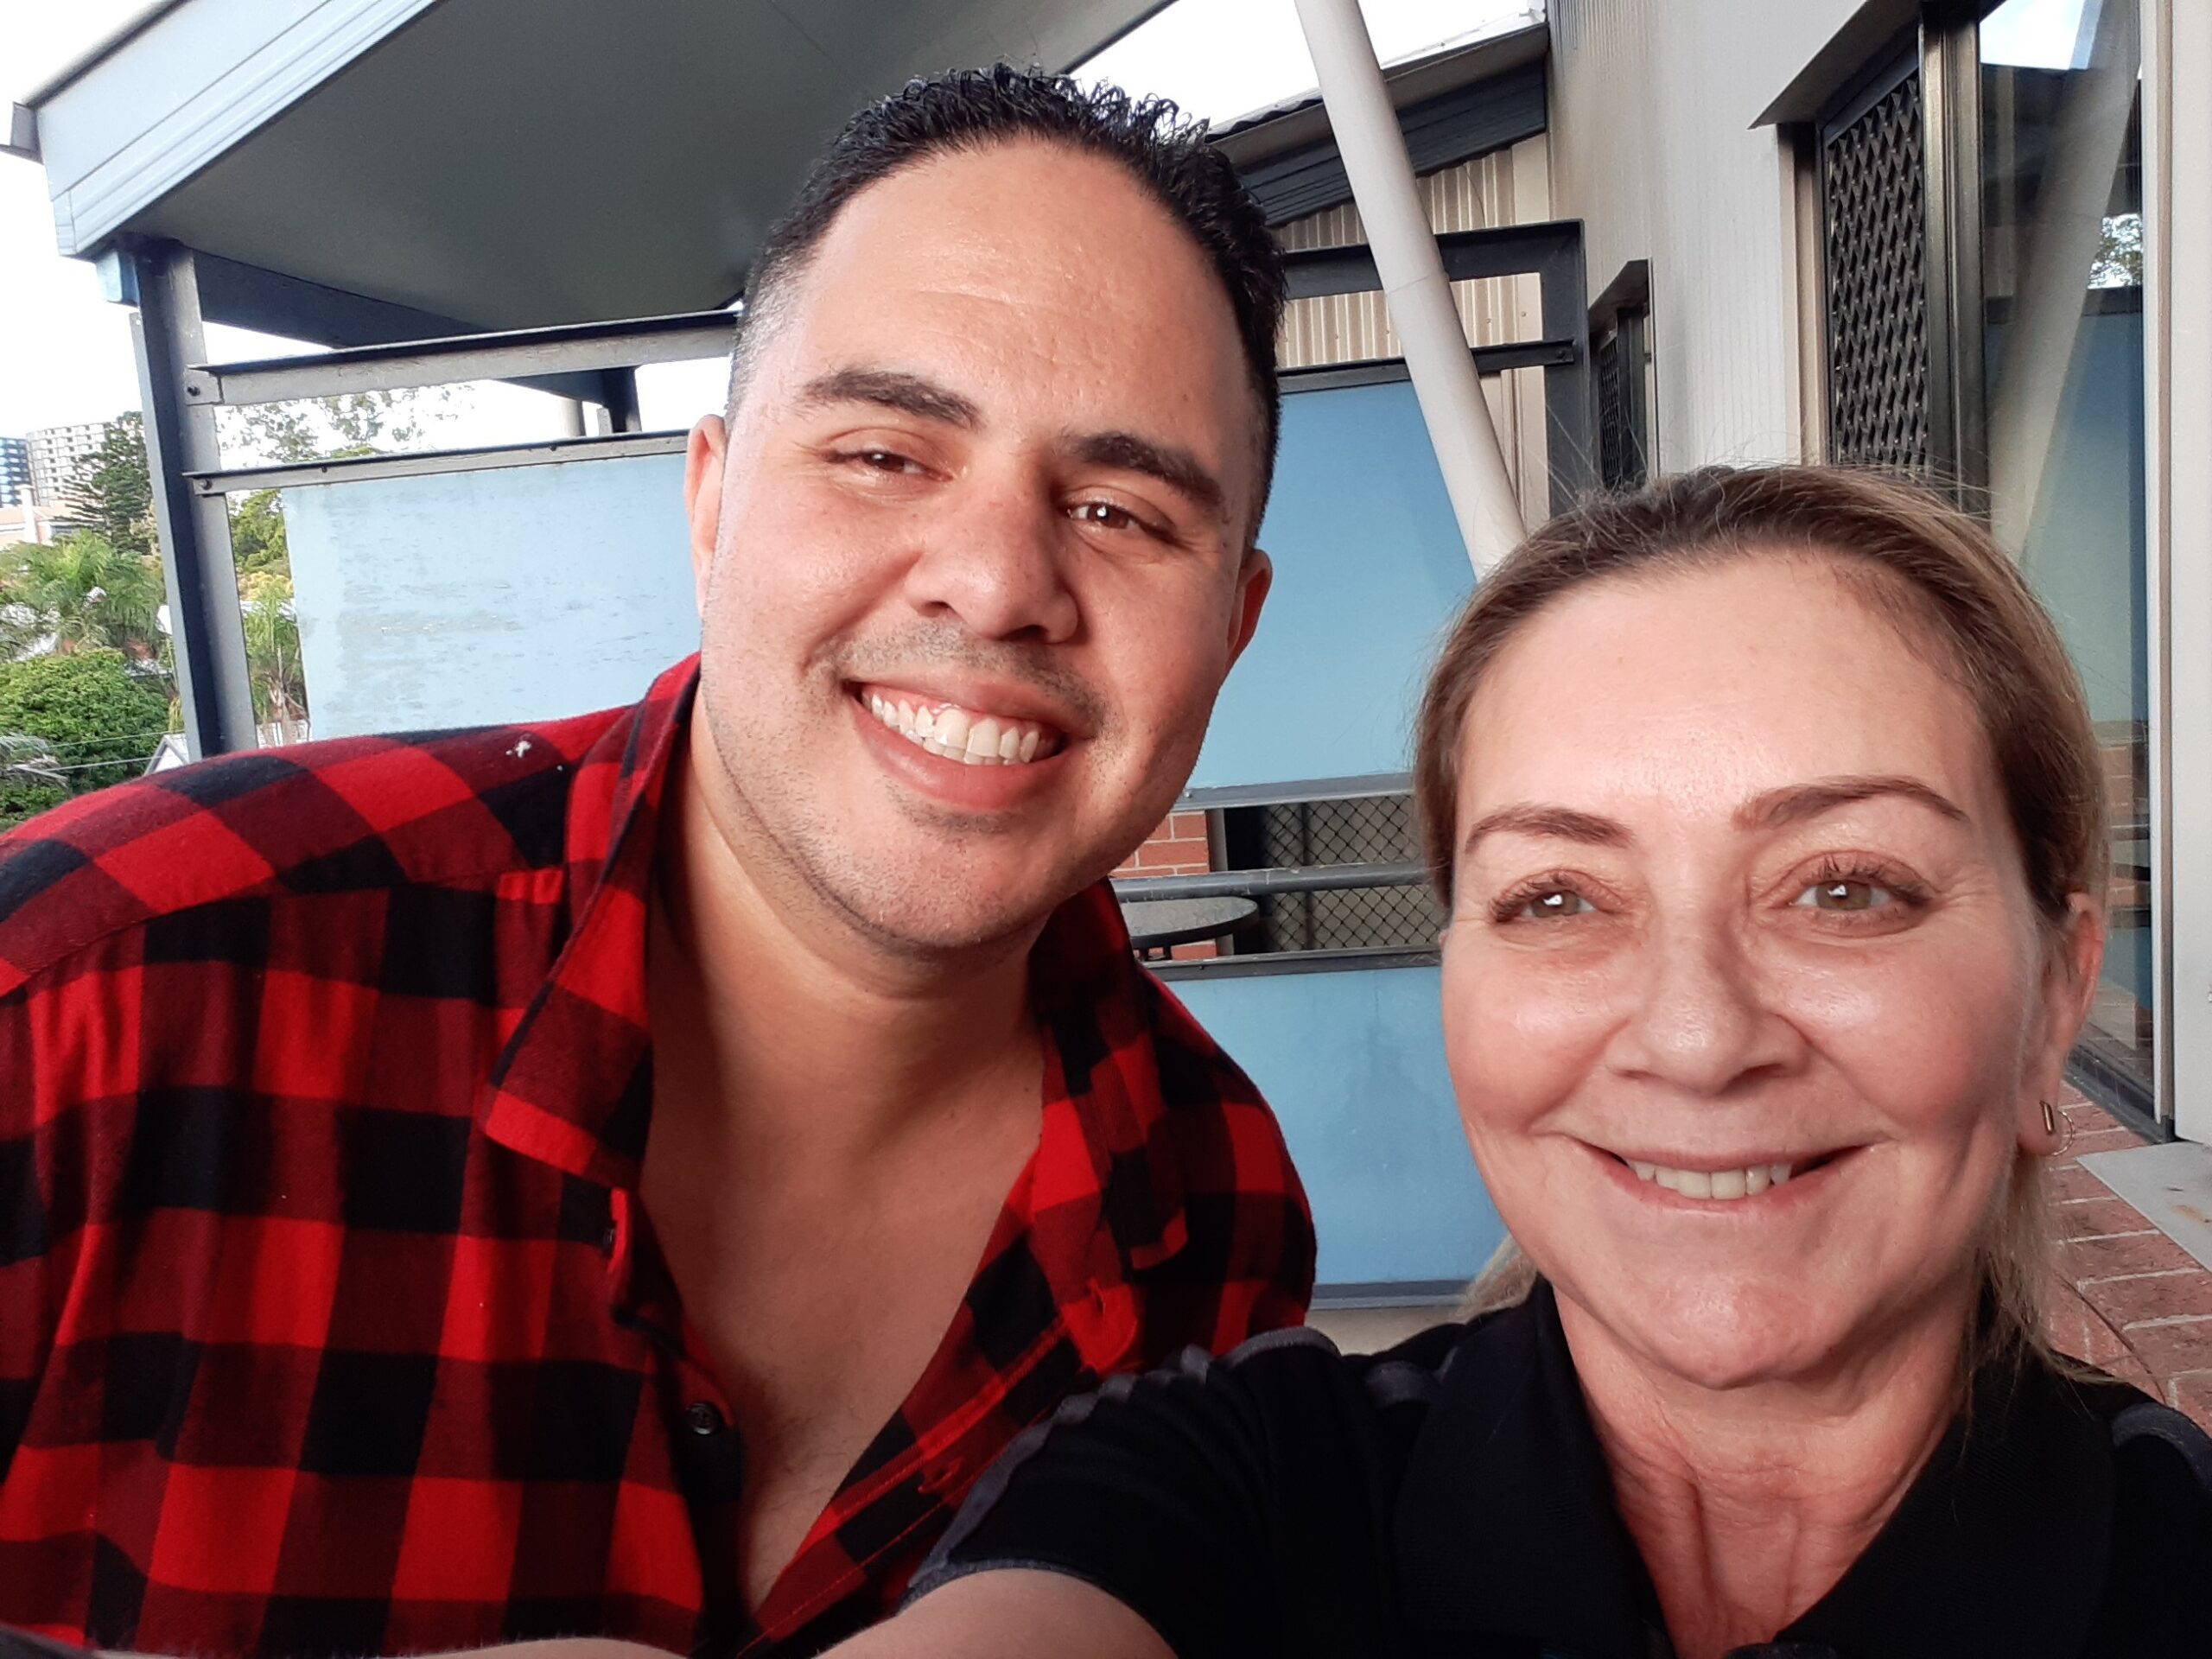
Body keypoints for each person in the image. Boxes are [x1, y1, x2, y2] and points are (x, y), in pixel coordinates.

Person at [0, 67, 1315, 1658]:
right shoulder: (94, 995)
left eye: (1119, 509)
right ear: (710, 506)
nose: (994, 583)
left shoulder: (1217, 1214)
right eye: (887, 455)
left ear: (1234, 627)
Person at [827, 467, 2212, 1659]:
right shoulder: (1237, 1486)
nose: (1694, 1037)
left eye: (1845, 888)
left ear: (2051, 1006)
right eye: (1558, 897)